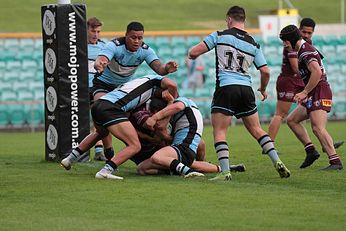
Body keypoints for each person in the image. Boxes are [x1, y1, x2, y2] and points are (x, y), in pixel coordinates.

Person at [187, 6, 290, 181]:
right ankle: (277, 161)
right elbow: (265, 71)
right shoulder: (253, 43)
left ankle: (225, 172)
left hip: (226, 87)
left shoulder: (220, 35)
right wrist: (263, 89)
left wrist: (192, 56)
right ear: (243, 20)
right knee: (257, 129)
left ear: (229, 19)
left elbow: (194, 52)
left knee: (220, 131)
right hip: (246, 89)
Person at [60, 75, 179, 179]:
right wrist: (171, 101)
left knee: (101, 133)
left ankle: (69, 159)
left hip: (99, 104)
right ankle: (105, 171)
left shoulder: (137, 85)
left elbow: (127, 113)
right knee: (135, 145)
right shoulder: (154, 81)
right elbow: (172, 84)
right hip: (111, 108)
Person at [91, 21, 179, 162]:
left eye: (140, 38)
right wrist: (99, 64)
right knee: (103, 115)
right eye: (133, 37)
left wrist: (167, 68)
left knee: (117, 121)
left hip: (123, 90)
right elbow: (101, 59)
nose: (137, 41)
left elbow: (159, 69)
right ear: (126, 35)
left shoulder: (145, 50)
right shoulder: (114, 45)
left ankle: (130, 150)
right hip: (103, 84)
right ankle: (106, 152)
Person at [280, 25, 343, 170]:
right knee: (292, 120)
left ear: (291, 39)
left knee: (317, 128)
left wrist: (305, 92)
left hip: (320, 90)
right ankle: (311, 151)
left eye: (285, 41)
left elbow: (317, 72)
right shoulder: (303, 49)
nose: (284, 44)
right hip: (315, 91)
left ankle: (335, 162)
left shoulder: (305, 51)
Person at [128, 100, 246, 174]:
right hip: (179, 146)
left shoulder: (181, 103)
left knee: (168, 159)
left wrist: (156, 120)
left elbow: (178, 107)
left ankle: (189, 170)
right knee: (142, 169)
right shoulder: (175, 119)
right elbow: (166, 138)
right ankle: (217, 167)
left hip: (181, 147)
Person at [77, 17, 107, 162]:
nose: (96, 34)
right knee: (82, 120)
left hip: (97, 88)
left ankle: (100, 150)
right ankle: (81, 151)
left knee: (99, 119)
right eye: (93, 31)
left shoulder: (104, 47)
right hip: (81, 88)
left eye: (98, 31)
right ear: (87, 30)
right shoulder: (78, 47)